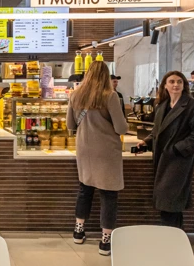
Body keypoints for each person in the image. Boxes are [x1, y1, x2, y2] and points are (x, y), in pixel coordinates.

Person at [67, 62, 128, 256]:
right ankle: (105, 241)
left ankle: (78, 231)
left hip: (84, 148)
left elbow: (70, 125)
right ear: (106, 76)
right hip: (106, 150)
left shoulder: (75, 95)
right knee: (108, 193)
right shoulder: (110, 96)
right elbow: (121, 128)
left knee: (85, 189)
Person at [138, 71, 194, 229]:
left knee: (169, 199)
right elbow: (157, 131)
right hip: (162, 158)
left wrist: (178, 149)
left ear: (184, 85)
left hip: (178, 160)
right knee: (170, 201)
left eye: (179, 82)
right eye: (171, 81)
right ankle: (174, 236)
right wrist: (146, 142)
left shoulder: (192, 106)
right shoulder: (161, 106)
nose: (175, 85)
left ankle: (171, 236)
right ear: (165, 85)